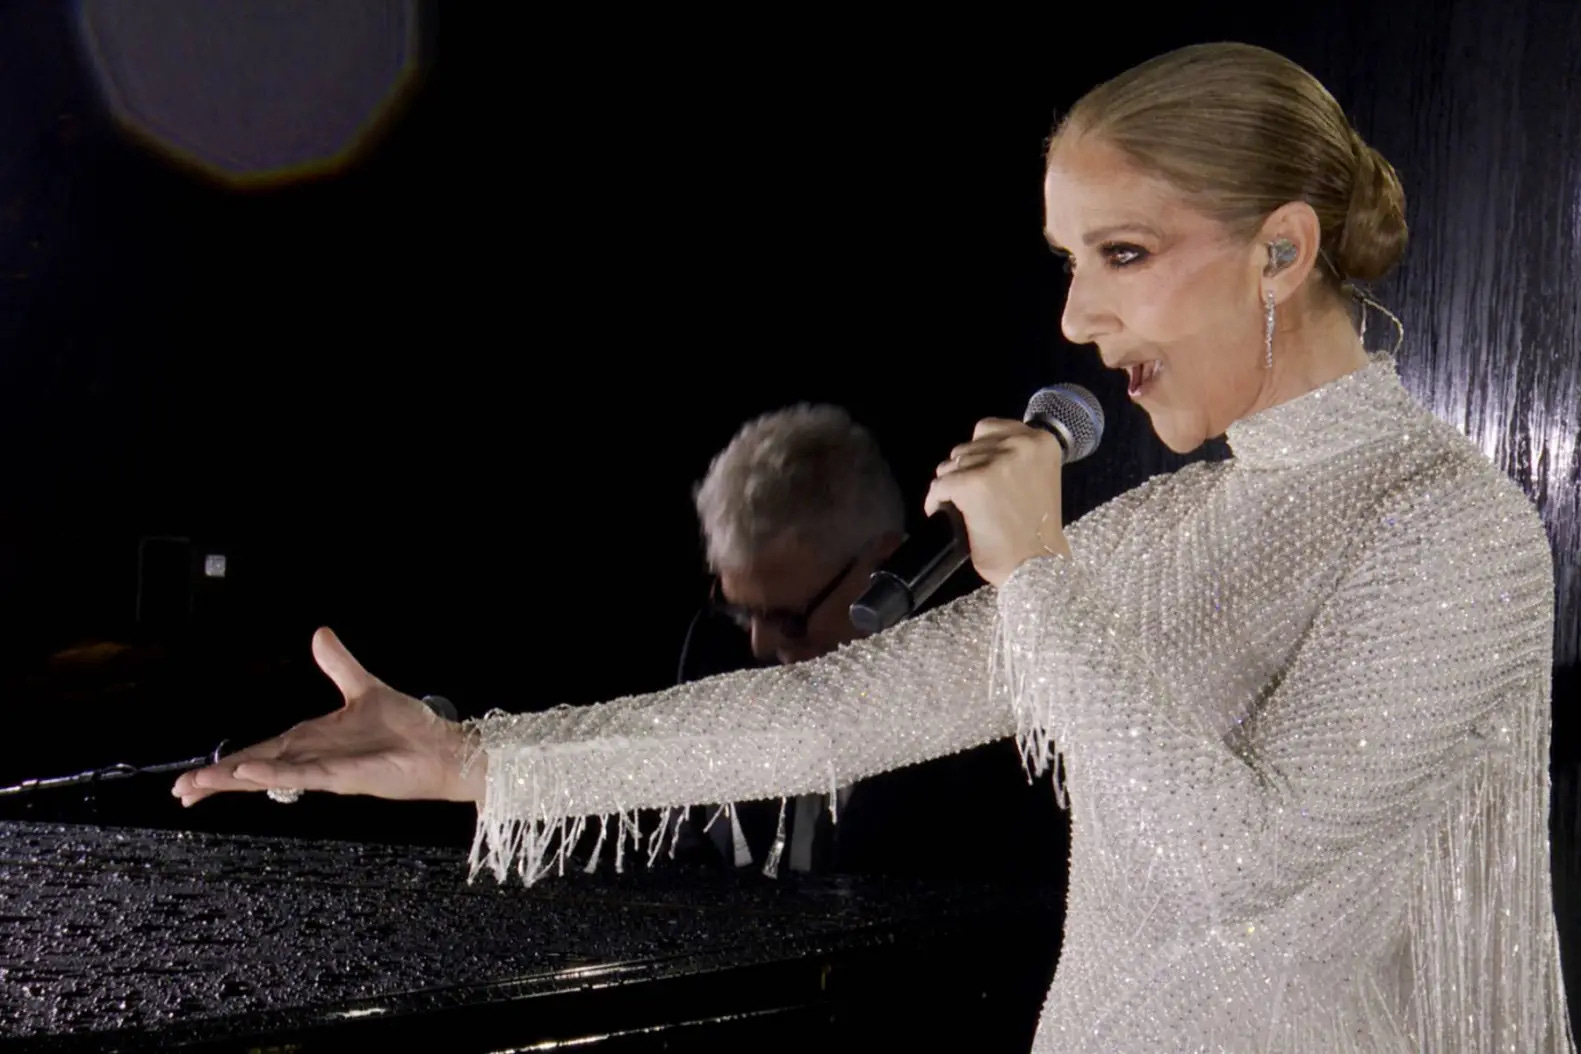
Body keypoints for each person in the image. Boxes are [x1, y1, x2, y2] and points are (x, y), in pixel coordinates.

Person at [174, 42, 1573, 1052]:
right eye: (1068, 262)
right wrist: (468, 758)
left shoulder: (1449, 528)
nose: (1075, 319)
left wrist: (1037, 572)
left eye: (1123, 255)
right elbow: (832, 711)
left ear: (1280, 251)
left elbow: (1238, 866)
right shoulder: (1166, 527)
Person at [673, 403, 1063, 879]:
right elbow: (688, 856)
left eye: (789, 619)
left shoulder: (991, 715)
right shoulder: (714, 652)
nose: (758, 644)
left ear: (883, 562)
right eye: (742, 612)